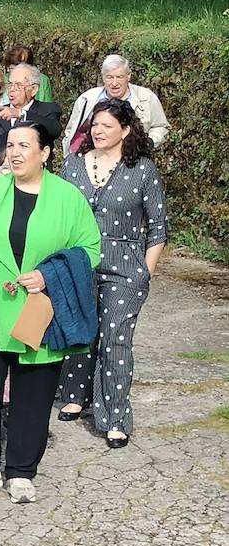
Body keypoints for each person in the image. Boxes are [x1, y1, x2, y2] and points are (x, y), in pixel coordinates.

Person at [0, 122, 100, 506]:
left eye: (24, 145)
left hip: (38, 314)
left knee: (33, 396)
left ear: (45, 153)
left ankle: (21, 471)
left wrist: (49, 274)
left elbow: (90, 250)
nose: (13, 152)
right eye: (9, 145)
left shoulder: (68, 198)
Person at [57, 100, 167, 446]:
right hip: (79, 261)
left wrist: (144, 273)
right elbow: (56, 212)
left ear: (126, 129)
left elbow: (159, 228)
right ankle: (77, 395)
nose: (98, 131)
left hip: (125, 267)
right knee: (82, 331)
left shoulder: (143, 169)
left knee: (115, 338)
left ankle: (116, 415)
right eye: (95, 125)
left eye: (106, 125)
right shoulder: (72, 164)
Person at [0, 64, 62, 184]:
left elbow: (55, 129)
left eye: (18, 85)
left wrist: (21, 114)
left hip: (37, 185)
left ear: (33, 89)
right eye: (10, 84)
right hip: (2, 186)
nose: (12, 89)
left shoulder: (47, 110)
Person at [62, 53, 170, 153]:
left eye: (119, 77)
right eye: (109, 77)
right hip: (94, 158)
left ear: (128, 76)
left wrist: (149, 142)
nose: (114, 83)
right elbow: (72, 131)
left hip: (134, 158)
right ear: (103, 77)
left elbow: (161, 126)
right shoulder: (87, 99)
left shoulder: (147, 98)